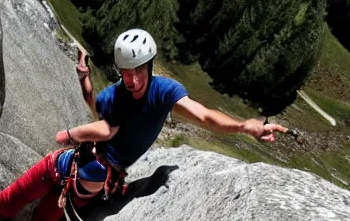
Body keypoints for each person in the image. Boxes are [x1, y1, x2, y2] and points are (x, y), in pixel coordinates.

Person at [59, 29, 288, 177]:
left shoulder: (165, 92)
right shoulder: (115, 96)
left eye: (139, 70)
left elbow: (205, 116)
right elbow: (92, 103)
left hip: (106, 171)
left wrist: (243, 126)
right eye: (127, 72)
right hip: (92, 156)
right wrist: (83, 75)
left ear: (149, 66)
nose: (134, 80)